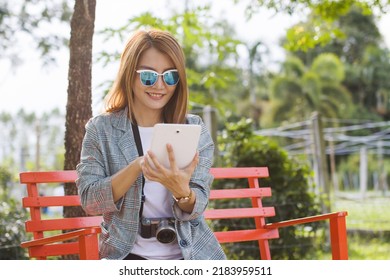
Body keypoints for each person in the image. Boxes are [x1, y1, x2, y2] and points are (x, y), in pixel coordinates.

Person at [76, 29, 226, 260]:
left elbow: (199, 203)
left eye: (170, 76)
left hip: (191, 254)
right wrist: (137, 166)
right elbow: (90, 200)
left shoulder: (193, 128)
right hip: (128, 255)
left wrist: (181, 191)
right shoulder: (101, 129)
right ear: (129, 75)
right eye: (148, 76)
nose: (159, 86)